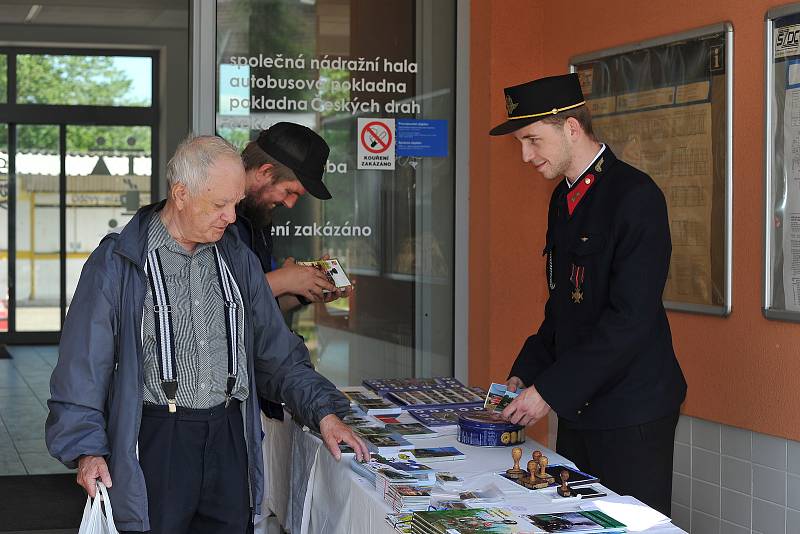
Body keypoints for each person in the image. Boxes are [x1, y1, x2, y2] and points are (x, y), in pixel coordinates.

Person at [45, 135, 369, 534]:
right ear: (181, 194)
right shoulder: (118, 263)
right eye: (219, 204)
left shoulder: (237, 259)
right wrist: (87, 450)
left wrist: (324, 412)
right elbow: (83, 366)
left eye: (235, 203)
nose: (231, 217)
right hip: (157, 438)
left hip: (229, 436)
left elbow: (277, 354)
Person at [490, 73, 686, 516]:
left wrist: (550, 391)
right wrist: (526, 374)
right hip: (578, 404)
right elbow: (564, 308)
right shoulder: (563, 199)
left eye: (533, 140)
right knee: (572, 522)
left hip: (631, 411)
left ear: (571, 128)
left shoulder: (635, 196)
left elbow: (629, 319)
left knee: (626, 525)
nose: (525, 155)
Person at [236, 122, 353, 313]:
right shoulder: (215, 218)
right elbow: (210, 301)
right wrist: (283, 280)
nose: (290, 204)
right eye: (289, 191)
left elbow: (260, 310)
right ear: (265, 171)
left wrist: (302, 289)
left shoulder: (258, 215)